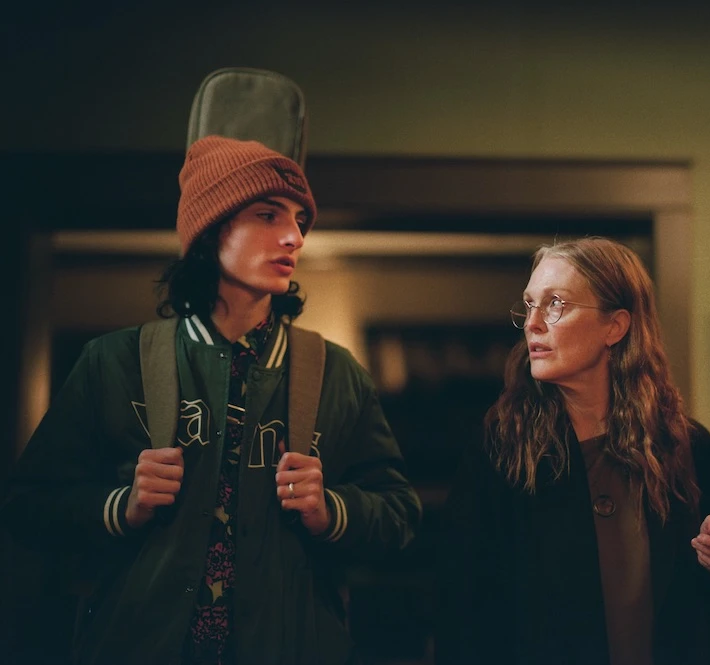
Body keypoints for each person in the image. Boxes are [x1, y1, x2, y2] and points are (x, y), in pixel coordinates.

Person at [1, 135, 422, 665]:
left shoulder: (336, 372)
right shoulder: (113, 362)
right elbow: (29, 508)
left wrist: (331, 510)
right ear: (210, 227)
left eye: (299, 221)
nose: (294, 236)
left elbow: (400, 516)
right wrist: (122, 506)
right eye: (268, 215)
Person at [435, 237, 710, 665]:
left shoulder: (686, 446)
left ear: (615, 326)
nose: (532, 323)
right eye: (530, 304)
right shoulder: (502, 450)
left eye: (555, 304)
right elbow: (461, 609)